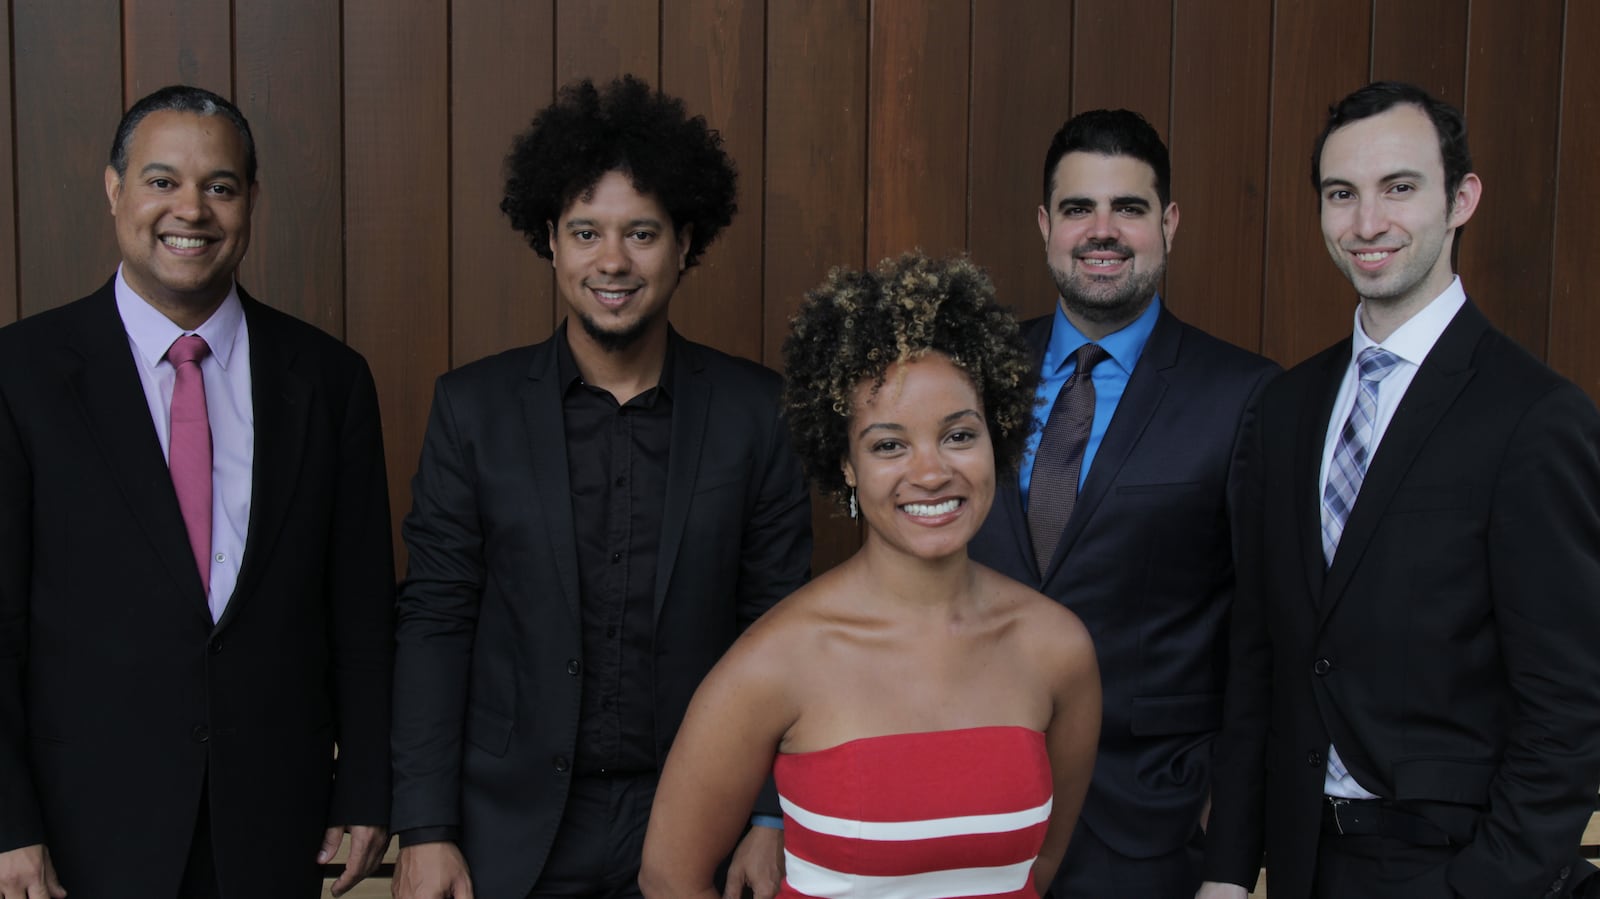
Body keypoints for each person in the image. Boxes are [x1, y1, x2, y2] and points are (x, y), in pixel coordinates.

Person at [390, 75, 813, 899]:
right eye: (586, 232)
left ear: (685, 243)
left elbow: (781, 631)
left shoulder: (758, 413)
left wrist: (770, 817)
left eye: (642, 233)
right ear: (550, 240)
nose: (612, 261)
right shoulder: (471, 409)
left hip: (699, 821)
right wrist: (426, 827)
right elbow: (436, 618)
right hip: (507, 831)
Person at [1199, 81, 1600, 899]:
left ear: (1462, 199)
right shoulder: (1286, 407)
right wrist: (1229, 872)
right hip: (1308, 863)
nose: (1367, 223)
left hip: (1457, 865)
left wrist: (1484, 885)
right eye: (1341, 194)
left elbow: (1570, 707)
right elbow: (1259, 656)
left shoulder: (1536, 416)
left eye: (1399, 188)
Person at [0, 85, 395, 898]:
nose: (193, 209)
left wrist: (364, 786)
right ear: (114, 190)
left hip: (275, 827)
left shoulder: (329, 380)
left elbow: (360, 610)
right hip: (82, 835)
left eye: (220, 185)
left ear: (251, 201)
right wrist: (9, 824)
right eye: (161, 180)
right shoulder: (20, 374)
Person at [638, 251, 1102, 899]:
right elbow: (668, 876)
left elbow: (1038, 869)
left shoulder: (1059, 649)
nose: (931, 471)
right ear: (847, 464)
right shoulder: (777, 657)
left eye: (959, 435)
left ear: (997, 436)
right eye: (889, 444)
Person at [966, 109, 1278, 898]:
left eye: (1129, 209)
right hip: (965, 804)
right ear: (1046, 225)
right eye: (1079, 209)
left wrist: (1233, 851)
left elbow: (1262, 631)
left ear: (1167, 223)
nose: (1101, 231)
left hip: (1151, 826)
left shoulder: (1243, 396)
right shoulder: (969, 373)